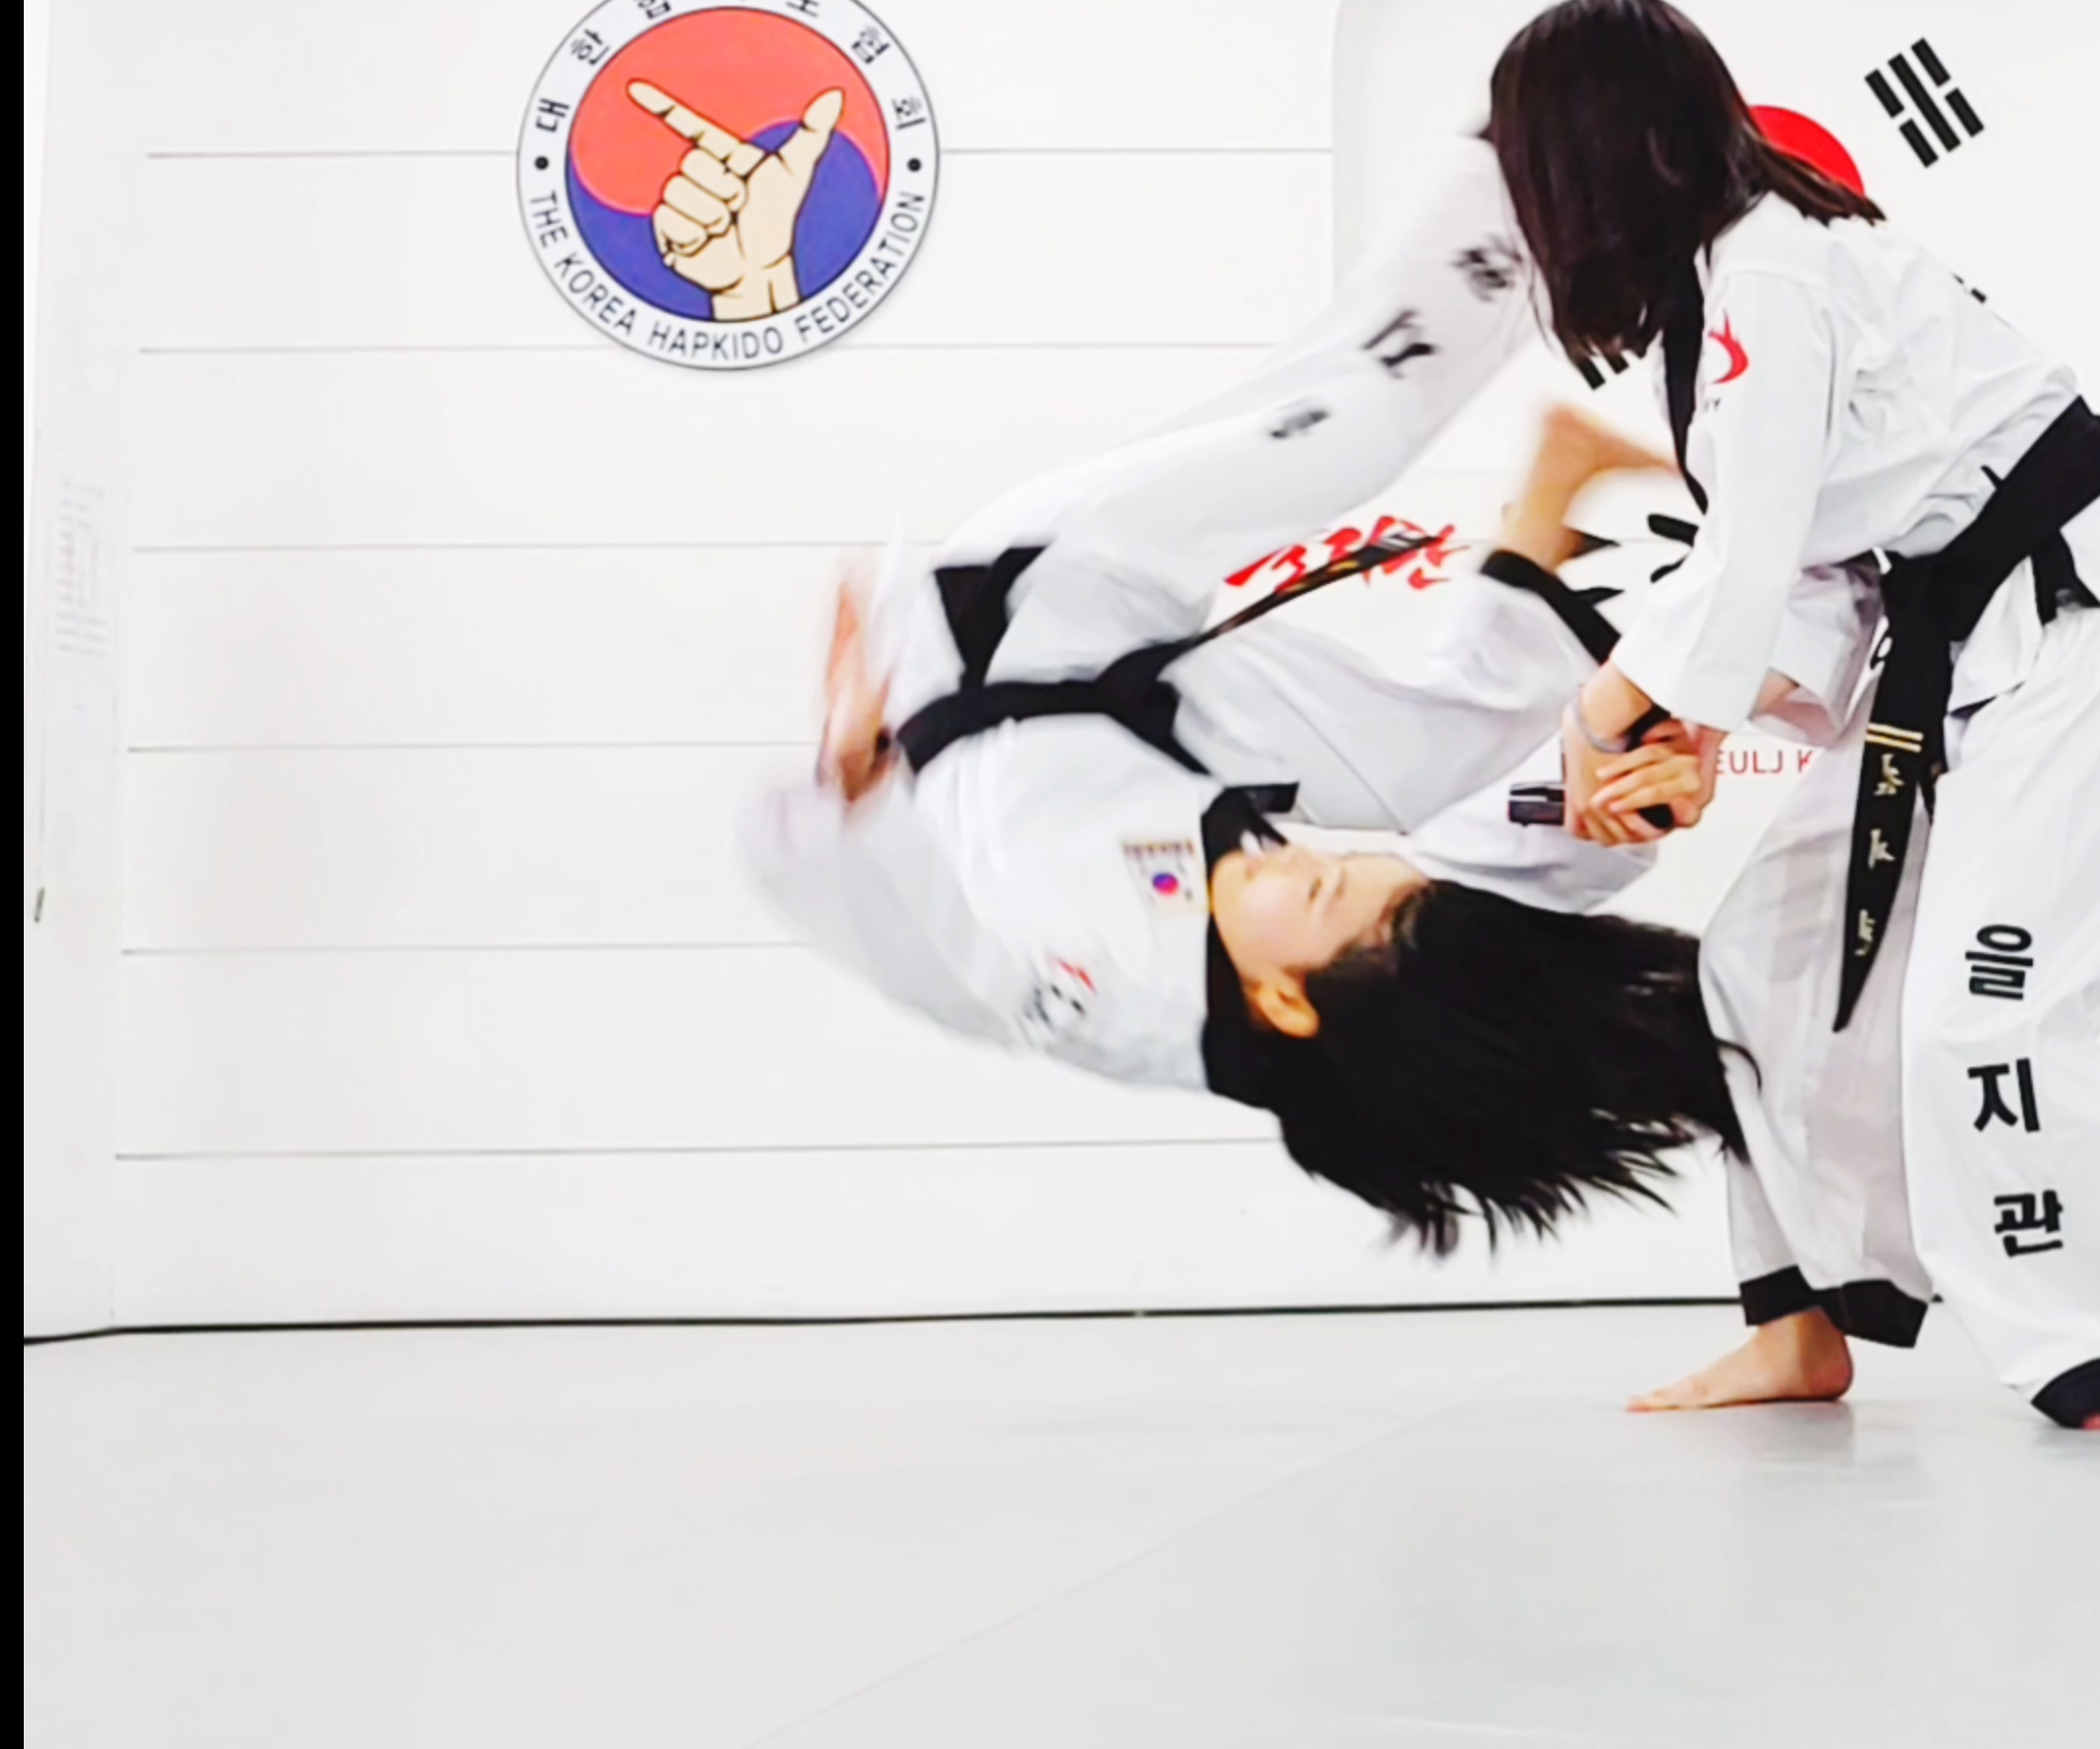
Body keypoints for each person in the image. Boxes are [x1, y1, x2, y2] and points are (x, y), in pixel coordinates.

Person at [743, 145, 1848, 1249]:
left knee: (1358, 423)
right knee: (1454, 769)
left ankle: (1515, 168)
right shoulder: (1327, 963)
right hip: (1157, 715)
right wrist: (1623, 788)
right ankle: (1558, 477)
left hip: (1007, 623)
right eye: (1333, 873)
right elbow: (1452, 873)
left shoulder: (1106, 995)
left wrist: (851, 793)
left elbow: (939, 969)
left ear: (1279, 999)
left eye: (1319, 887)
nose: (1306, 858)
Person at [1493, 0, 2100, 1430]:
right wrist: (1695, 733)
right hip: (1946, 647)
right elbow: (1816, 569)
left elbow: (1748, 554)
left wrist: (1604, 717)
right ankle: (1802, 1324)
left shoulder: (1772, 265)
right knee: (1756, 965)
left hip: (2071, 636)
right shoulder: (1723, 284)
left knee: (1984, 1013)